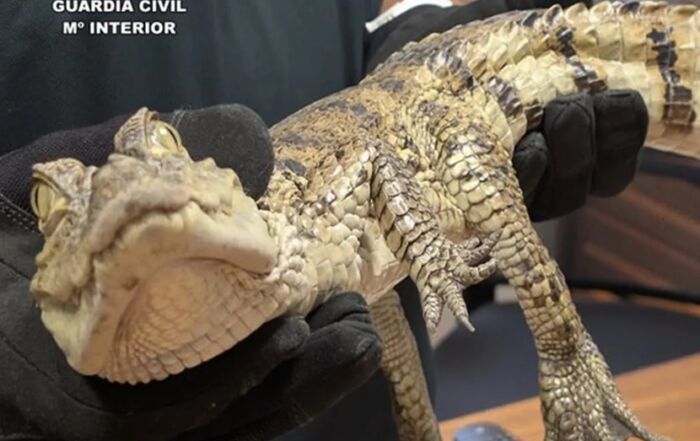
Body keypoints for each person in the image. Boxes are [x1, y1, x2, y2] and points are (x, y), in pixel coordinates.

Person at [0, 0, 649, 440]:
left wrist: (401, 33)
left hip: (352, 333)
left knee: (370, 313)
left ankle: (561, 358)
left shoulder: (306, 240)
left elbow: (375, 30)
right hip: (67, 400)